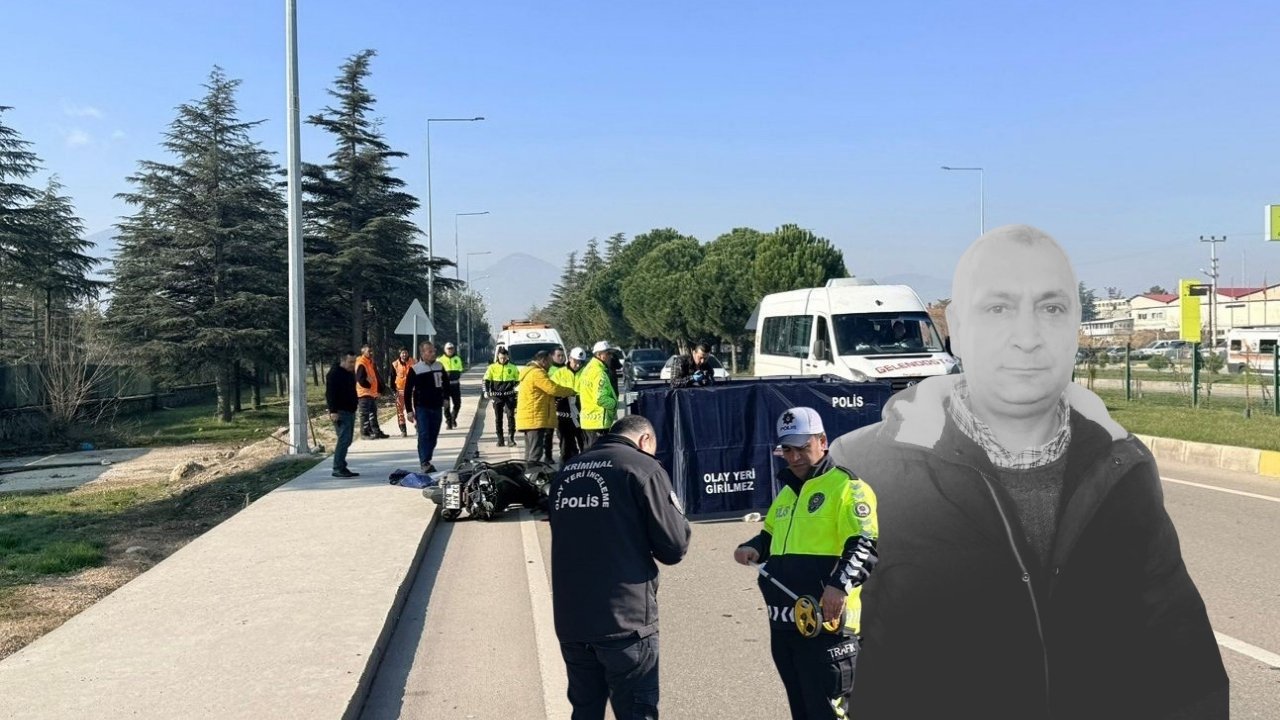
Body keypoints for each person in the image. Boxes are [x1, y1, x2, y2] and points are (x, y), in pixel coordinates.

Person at [829, 225, 1228, 719]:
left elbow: (1185, 664)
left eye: (1052, 307)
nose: (1027, 338)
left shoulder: (1125, 467)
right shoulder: (863, 470)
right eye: (998, 308)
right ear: (956, 326)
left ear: (1076, 325)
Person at [733, 407, 878, 720]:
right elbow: (770, 537)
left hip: (827, 628)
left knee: (829, 713)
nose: (795, 456)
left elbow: (864, 545)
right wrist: (752, 547)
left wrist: (838, 586)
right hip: (785, 625)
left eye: (803, 447)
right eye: (788, 449)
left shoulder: (848, 488)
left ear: (823, 441)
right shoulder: (786, 494)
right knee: (802, 711)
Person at [548, 414, 691, 720]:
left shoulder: (567, 471)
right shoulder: (642, 467)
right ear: (645, 440)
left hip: (572, 619)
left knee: (585, 711)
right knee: (636, 713)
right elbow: (674, 547)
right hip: (625, 622)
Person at [516, 350, 578, 464]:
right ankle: (532, 477)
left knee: (530, 451)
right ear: (543, 361)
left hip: (530, 418)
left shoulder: (529, 372)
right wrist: (571, 391)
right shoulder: (537, 373)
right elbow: (552, 389)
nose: (550, 365)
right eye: (549, 362)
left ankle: (527, 475)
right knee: (535, 453)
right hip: (535, 418)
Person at [403, 341, 451, 473]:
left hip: (436, 406)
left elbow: (446, 384)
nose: (433, 353)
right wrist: (409, 411)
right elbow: (407, 391)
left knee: (433, 435)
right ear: (422, 353)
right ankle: (424, 462)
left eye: (433, 351)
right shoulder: (415, 369)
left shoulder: (439, 366)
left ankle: (427, 458)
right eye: (429, 351)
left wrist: (446, 398)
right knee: (424, 434)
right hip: (421, 407)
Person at [324, 351, 361, 478]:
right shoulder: (334, 374)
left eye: (354, 361)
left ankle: (342, 466)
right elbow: (330, 394)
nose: (353, 364)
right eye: (351, 362)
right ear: (343, 360)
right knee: (344, 439)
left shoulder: (349, 373)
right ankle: (337, 468)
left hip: (350, 410)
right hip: (340, 411)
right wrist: (333, 411)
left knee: (348, 440)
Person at [578, 341, 619, 450]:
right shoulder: (599, 373)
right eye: (608, 353)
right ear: (599, 355)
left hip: (587, 420)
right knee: (598, 455)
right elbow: (601, 398)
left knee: (588, 455)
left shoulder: (586, 370)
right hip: (598, 421)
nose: (610, 356)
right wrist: (614, 404)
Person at [549, 346, 583, 464]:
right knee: (565, 446)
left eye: (580, 363)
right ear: (570, 359)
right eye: (575, 362)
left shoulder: (586, 373)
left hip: (581, 415)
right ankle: (564, 469)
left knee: (584, 445)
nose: (578, 365)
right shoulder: (559, 374)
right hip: (563, 415)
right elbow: (551, 390)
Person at [484, 348, 520, 446]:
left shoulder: (513, 367)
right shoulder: (492, 367)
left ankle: (511, 438)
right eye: (501, 358)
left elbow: (518, 380)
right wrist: (486, 392)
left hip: (509, 396)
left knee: (511, 416)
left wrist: (514, 388)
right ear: (498, 357)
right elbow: (486, 380)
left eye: (504, 358)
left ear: (507, 357)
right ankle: (500, 439)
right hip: (497, 396)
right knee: (498, 418)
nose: (503, 360)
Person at [354, 344, 389, 440]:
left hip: (371, 393)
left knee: (372, 413)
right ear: (363, 351)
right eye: (369, 351)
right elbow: (360, 379)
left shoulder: (370, 362)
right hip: (364, 393)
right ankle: (364, 433)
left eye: (372, 351)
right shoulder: (361, 362)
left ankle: (375, 431)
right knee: (364, 414)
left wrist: (380, 388)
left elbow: (375, 377)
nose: (371, 353)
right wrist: (368, 385)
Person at [440, 341, 465, 430]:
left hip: (455, 384)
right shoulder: (440, 360)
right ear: (445, 350)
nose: (450, 350)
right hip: (445, 386)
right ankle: (449, 421)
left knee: (457, 404)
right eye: (448, 349)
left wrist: (455, 374)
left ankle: (453, 418)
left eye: (451, 349)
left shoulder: (457, 358)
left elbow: (460, 369)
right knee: (446, 405)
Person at [391, 348, 413, 438]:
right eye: (402, 353)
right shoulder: (395, 364)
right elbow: (392, 378)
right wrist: (393, 391)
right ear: (400, 354)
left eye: (406, 353)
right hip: (400, 391)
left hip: (412, 390)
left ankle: (419, 428)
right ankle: (403, 430)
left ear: (408, 353)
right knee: (400, 412)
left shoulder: (414, 362)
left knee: (416, 409)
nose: (404, 355)